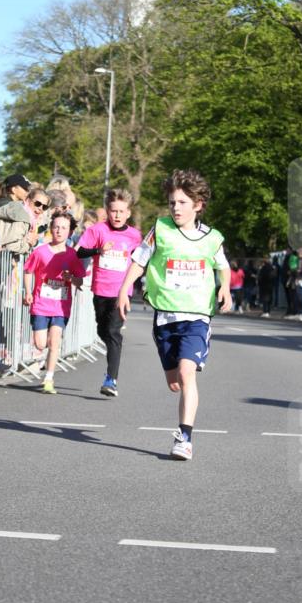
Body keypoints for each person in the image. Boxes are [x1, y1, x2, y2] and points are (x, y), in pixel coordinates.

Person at [117, 169, 232, 462]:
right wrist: (124, 289)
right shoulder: (161, 230)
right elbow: (140, 260)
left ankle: (185, 438)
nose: (176, 208)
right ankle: (181, 402)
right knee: (174, 381)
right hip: (165, 317)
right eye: (172, 203)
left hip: (196, 316)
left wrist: (226, 289)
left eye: (182, 202)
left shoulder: (212, 238)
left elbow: (223, 267)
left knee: (186, 372)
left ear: (198, 205)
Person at [76, 187, 142, 396]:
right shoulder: (97, 230)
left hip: (121, 292)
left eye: (122, 211)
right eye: (114, 211)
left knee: (113, 332)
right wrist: (98, 251)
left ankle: (111, 379)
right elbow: (80, 252)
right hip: (100, 290)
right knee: (102, 330)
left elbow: (141, 260)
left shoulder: (134, 236)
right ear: (107, 210)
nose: (117, 215)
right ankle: (113, 348)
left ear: (128, 213)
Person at [22, 211, 85, 394]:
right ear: (51, 229)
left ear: (70, 232)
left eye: (64, 228)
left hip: (61, 305)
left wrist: (71, 278)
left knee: (55, 341)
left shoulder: (72, 255)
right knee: (41, 344)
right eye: (56, 227)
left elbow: (80, 282)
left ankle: (49, 378)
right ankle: (43, 358)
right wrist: (28, 291)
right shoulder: (40, 251)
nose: (59, 231)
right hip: (41, 304)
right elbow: (28, 270)